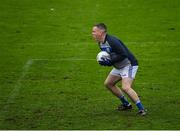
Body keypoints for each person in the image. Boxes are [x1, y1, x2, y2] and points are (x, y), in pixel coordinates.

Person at [92, 23, 146, 116]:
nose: (92, 33)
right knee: (108, 84)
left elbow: (123, 54)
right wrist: (106, 61)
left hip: (129, 65)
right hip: (119, 66)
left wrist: (110, 62)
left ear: (101, 32)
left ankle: (142, 109)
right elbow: (110, 55)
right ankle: (126, 104)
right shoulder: (100, 43)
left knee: (125, 87)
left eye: (94, 31)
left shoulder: (112, 41)